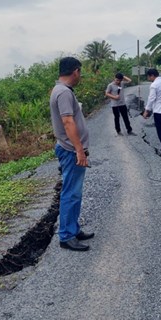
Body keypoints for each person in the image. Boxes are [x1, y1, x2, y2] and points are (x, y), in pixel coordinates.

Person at [49, 57, 95, 252]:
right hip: (70, 151)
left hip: (70, 149)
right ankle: (66, 236)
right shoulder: (63, 93)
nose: (80, 76)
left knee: (75, 193)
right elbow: (68, 123)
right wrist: (79, 150)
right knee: (70, 193)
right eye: (80, 72)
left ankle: (73, 229)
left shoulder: (60, 90)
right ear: (75, 71)